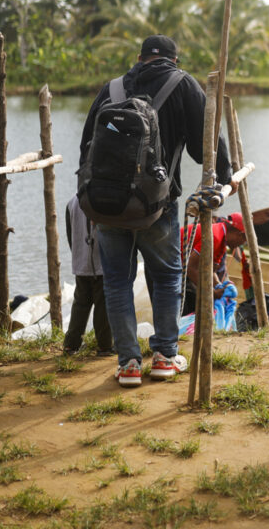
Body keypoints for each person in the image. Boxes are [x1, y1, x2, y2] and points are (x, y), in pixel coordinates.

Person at [79, 34, 231, 388]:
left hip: (107, 206)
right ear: (174, 61)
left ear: (139, 58)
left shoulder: (112, 88)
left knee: (116, 280)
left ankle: (128, 364)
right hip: (157, 206)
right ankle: (164, 356)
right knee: (166, 277)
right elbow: (205, 146)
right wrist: (225, 177)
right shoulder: (184, 85)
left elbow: (87, 146)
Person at [62, 195, 114, 356]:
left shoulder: (72, 202)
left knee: (80, 304)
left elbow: (70, 234)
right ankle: (105, 346)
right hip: (101, 263)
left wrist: (77, 255)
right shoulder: (101, 197)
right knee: (102, 306)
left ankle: (71, 344)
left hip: (81, 261)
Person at [181, 212, 247, 316]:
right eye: (244, 239)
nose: (243, 243)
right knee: (180, 310)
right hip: (167, 264)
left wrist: (220, 286)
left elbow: (211, 270)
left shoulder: (222, 241)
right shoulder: (215, 237)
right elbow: (191, 268)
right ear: (238, 234)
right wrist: (211, 292)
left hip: (181, 268)